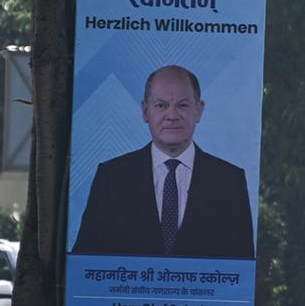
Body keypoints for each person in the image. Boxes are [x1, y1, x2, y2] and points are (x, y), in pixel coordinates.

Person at [72, 65, 254, 259]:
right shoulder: (111, 177)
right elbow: (86, 263)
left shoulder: (229, 181)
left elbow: (241, 269)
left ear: (199, 110)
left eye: (183, 105)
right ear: (145, 111)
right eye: (161, 105)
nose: (172, 115)